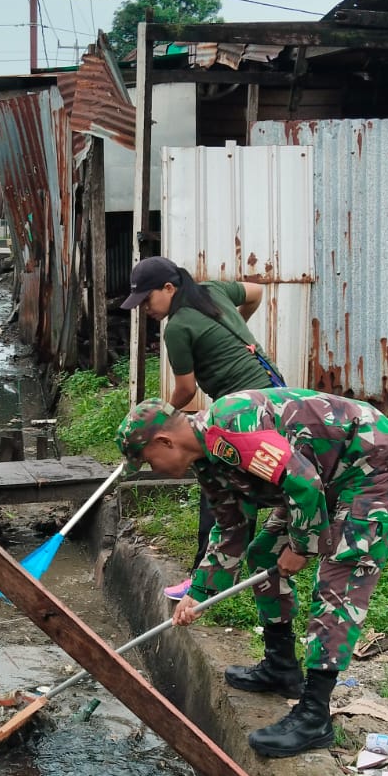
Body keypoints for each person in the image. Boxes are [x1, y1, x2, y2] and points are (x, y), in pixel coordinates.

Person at [115, 389, 388, 759]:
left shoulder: (231, 430)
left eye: (148, 460)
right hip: (322, 477)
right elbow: (230, 528)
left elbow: (304, 484)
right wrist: (200, 592)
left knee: (339, 576)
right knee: (263, 556)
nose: (154, 469)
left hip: (373, 464)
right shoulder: (208, 461)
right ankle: (281, 667)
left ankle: (314, 716)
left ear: (164, 441)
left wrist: (302, 545)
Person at [120, 256, 277, 600]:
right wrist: (240, 330)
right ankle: (231, 571)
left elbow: (186, 390)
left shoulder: (176, 328)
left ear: (169, 288)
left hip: (241, 412)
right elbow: (255, 293)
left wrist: (153, 424)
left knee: (218, 487)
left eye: (147, 299)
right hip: (272, 396)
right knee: (246, 483)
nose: (145, 308)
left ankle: (202, 580)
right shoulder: (213, 291)